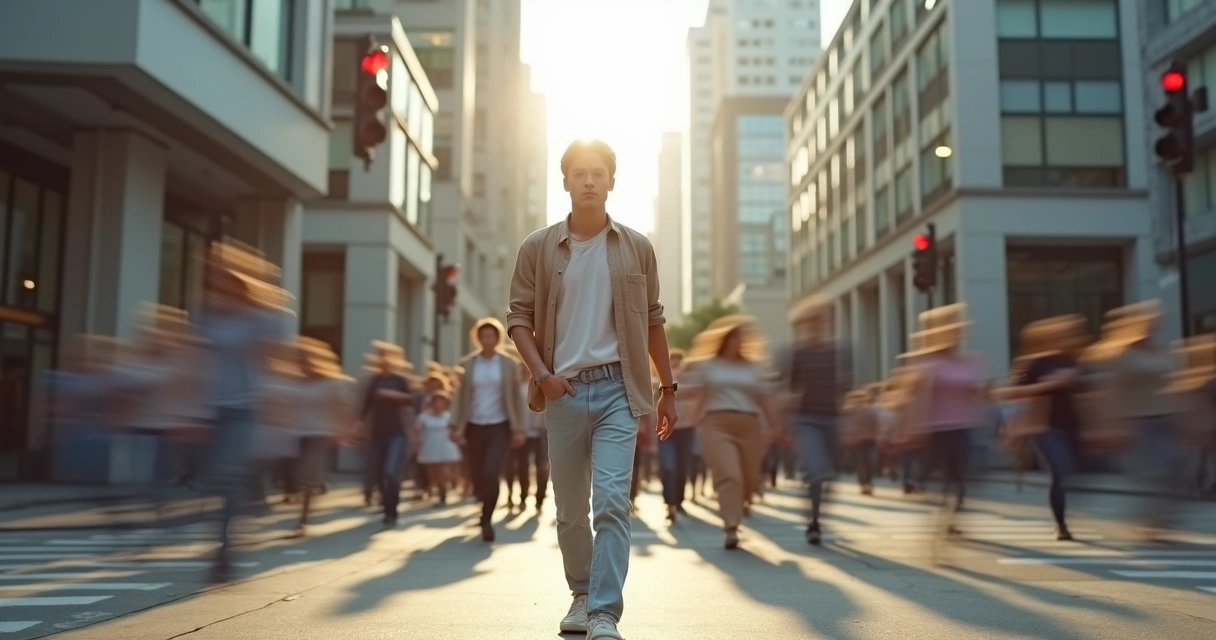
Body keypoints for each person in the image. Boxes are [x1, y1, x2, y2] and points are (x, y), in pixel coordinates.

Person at [506, 139, 677, 640]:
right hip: (562, 393)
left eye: (597, 172)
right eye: (578, 173)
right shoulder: (537, 247)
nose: (588, 180)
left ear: (610, 181)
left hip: (618, 392)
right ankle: (580, 594)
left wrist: (668, 387)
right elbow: (518, 317)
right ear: (565, 182)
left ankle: (604, 611)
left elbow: (653, 321)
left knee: (611, 502)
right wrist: (542, 376)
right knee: (570, 510)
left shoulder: (636, 247)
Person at [683, 315, 782, 549]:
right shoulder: (709, 365)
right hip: (716, 423)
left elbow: (765, 399)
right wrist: (674, 399)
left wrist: (776, 426)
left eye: (743, 338)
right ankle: (731, 526)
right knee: (730, 474)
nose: (739, 342)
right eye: (735, 337)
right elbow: (699, 393)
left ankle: (743, 502)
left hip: (749, 424)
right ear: (725, 340)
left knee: (750, 478)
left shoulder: (754, 367)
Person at [450, 318, 528, 542]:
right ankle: (481, 500)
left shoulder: (508, 364)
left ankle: (486, 520)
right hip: (473, 425)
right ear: (478, 338)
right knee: (476, 474)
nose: (488, 340)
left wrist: (519, 429)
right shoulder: (467, 364)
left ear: (497, 338)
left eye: (491, 336)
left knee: (491, 473)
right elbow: (459, 397)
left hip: (500, 426)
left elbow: (515, 397)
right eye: (483, 336)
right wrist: (454, 425)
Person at [782, 307, 851, 546]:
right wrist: (787, 427)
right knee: (816, 471)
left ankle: (818, 515)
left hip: (832, 420)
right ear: (804, 325)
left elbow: (845, 390)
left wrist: (848, 425)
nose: (817, 325)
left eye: (821, 320)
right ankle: (813, 523)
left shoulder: (838, 353)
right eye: (812, 321)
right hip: (807, 420)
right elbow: (791, 391)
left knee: (830, 474)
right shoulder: (797, 355)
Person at [357, 341, 414, 527]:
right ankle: (385, 503)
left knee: (391, 471)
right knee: (379, 472)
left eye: (387, 356)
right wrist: (358, 426)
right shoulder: (373, 381)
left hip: (397, 434)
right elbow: (365, 406)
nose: (384, 360)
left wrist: (391, 395)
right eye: (380, 356)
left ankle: (392, 511)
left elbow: (410, 400)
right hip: (377, 434)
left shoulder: (399, 381)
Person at [657, 349, 700, 523]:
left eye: (678, 361)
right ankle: (669, 503)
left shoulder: (691, 378)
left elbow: (698, 393)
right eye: (672, 361)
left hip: (687, 429)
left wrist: (674, 390)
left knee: (682, 467)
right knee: (668, 467)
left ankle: (679, 501)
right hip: (666, 430)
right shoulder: (661, 378)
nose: (675, 364)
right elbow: (657, 394)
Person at [413, 390, 462, 505]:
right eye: (436, 402)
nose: (438, 405)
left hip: (445, 444)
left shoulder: (449, 416)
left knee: (444, 470)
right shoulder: (424, 416)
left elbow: (455, 429)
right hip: (430, 444)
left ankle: (443, 493)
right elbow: (417, 429)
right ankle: (434, 488)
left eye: (441, 402)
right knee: (432, 471)